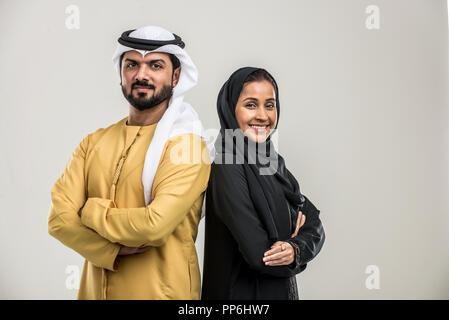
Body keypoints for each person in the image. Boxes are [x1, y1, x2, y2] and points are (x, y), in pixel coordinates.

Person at [48, 26, 214, 299]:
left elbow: (154, 226)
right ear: (121, 73)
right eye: (132, 65)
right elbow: (58, 220)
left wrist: (90, 212)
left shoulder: (188, 147)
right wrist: (110, 250)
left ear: (176, 76)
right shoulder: (93, 143)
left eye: (155, 65)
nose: (141, 75)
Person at [201, 67, 325, 300]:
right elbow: (260, 255)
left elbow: (314, 220)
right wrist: (297, 247)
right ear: (230, 109)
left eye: (270, 105)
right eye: (250, 105)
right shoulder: (227, 163)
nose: (262, 115)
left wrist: (294, 248)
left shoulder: (271, 160)